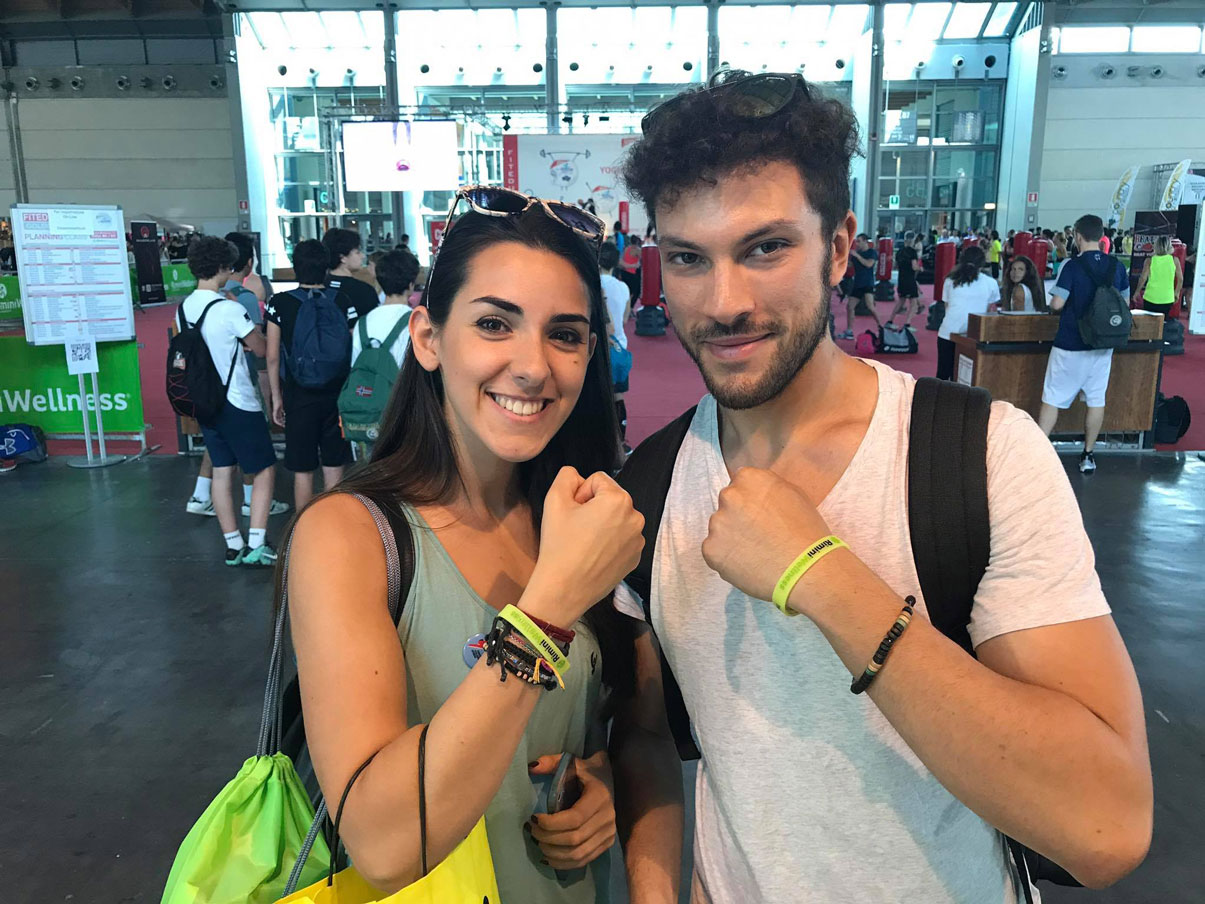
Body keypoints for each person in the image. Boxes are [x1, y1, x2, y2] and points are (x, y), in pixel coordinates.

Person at [619, 70, 1151, 903]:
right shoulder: (649, 489)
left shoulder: (978, 456)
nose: (723, 303)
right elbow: (647, 738)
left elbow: (1104, 828)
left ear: (838, 248)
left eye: (765, 248)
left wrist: (821, 577)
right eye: (688, 258)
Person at [280, 191, 680, 903]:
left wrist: (605, 783)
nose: (533, 367)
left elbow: (637, 730)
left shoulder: (590, 516)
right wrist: (549, 606)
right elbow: (383, 843)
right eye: (495, 324)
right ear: (428, 339)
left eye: (564, 335)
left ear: (590, 353)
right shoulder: (350, 536)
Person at [178, 237, 279, 566]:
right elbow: (261, 348)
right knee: (262, 469)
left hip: (205, 401)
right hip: (237, 400)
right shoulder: (229, 308)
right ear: (223, 267)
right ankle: (257, 543)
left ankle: (233, 545)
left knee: (222, 470)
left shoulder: (183, 308)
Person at [1037, 214, 1131, 473]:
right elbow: (1125, 303)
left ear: (1077, 236)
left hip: (1070, 343)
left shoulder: (1072, 266)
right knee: (1096, 400)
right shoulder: (1116, 266)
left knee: (1052, 398)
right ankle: (1088, 456)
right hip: (1103, 345)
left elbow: (1057, 304)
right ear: (1101, 236)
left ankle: (1038, 453)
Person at [266, 240, 354, 511]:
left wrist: (276, 398)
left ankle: (304, 526)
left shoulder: (279, 303)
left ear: (295, 268)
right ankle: (334, 525)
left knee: (302, 468)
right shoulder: (342, 300)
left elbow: (272, 356)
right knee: (334, 465)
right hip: (336, 394)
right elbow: (351, 349)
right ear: (326, 267)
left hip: (299, 394)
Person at [350, 248, 421, 370]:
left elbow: (355, 365)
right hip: (403, 381)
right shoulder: (416, 322)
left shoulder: (362, 323)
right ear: (411, 285)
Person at [936, 246, 999, 380]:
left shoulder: (950, 280)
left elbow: (947, 306)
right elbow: (989, 311)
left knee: (943, 374)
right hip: (973, 334)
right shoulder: (991, 283)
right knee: (966, 378)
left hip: (948, 332)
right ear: (982, 263)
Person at [598, 242, 633, 450]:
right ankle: (621, 443)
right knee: (618, 396)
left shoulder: (593, 284)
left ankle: (602, 443)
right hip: (620, 346)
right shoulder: (623, 287)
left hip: (600, 346)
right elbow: (626, 318)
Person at [322, 227, 380, 327]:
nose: (363, 256)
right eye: (357, 252)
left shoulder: (321, 287)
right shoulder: (363, 291)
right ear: (343, 258)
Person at [841, 233, 883, 339]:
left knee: (870, 306)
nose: (857, 244)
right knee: (850, 307)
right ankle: (849, 331)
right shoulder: (857, 254)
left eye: (859, 241)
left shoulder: (871, 252)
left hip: (867, 283)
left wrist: (857, 256)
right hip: (857, 284)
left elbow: (868, 264)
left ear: (865, 241)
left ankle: (881, 327)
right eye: (857, 242)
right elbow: (851, 265)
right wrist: (842, 260)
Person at [1133, 234, 1181, 318]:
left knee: (1149, 322)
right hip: (1167, 298)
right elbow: (1180, 279)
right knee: (1162, 321)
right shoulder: (1174, 260)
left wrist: (1137, 292)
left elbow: (1143, 278)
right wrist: (1177, 292)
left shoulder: (1149, 260)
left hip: (1150, 297)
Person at [885, 230, 922, 330]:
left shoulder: (899, 252)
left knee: (901, 301)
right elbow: (914, 267)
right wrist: (920, 268)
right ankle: (907, 324)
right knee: (913, 303)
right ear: (913, 240)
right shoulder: (912, 252)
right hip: (910, 279)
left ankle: (890, 321)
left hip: (901, 279)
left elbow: (896, 266)